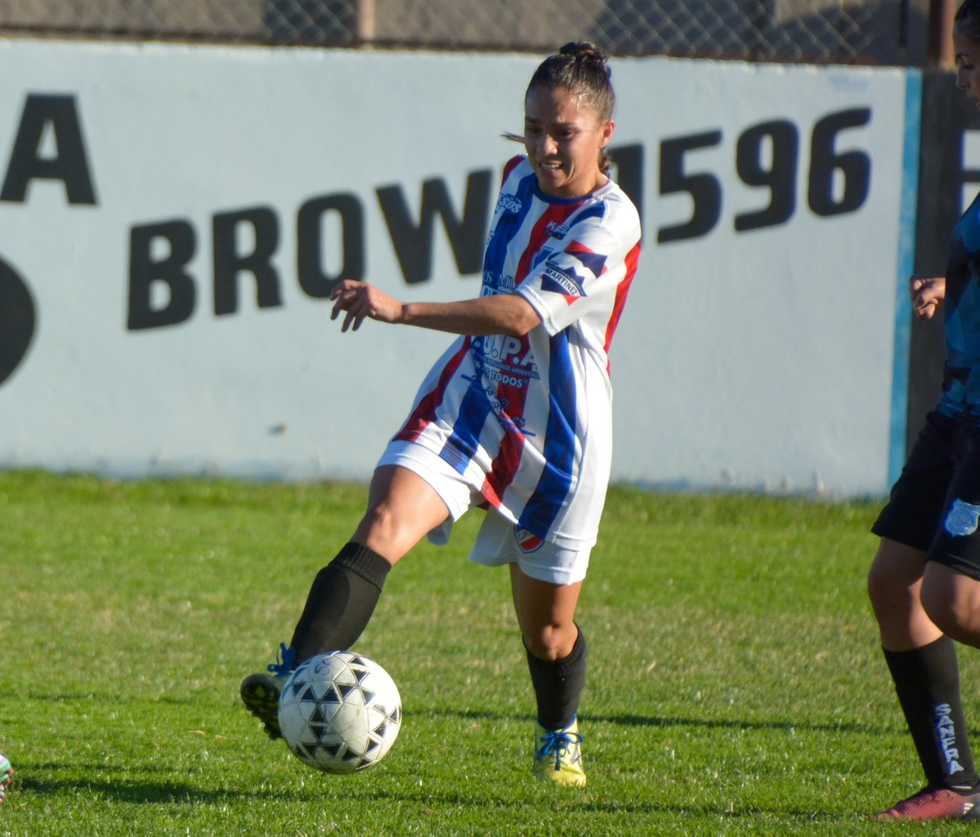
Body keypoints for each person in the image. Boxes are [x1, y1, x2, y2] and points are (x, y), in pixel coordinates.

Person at [240, 41, 641, 787]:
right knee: (384, 521)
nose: (545, 146)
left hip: (557, 439)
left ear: (604, 133)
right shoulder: (516, 180)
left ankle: (559, 732)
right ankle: (293, 675)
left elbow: (522, 314)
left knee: (548, 632)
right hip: (474, 396)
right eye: (533, 127)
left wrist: (402, 308)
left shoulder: (610, 223)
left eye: (564, 132)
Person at [867, 0, 980, 819]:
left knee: (956, 598)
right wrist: (954, 288)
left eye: (973, 65)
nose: (965, 83)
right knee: (894, 582)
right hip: (958, 407)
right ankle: (955, 781)